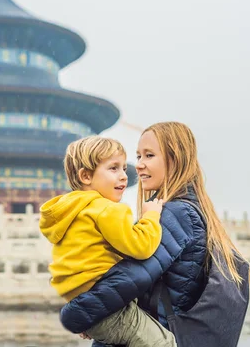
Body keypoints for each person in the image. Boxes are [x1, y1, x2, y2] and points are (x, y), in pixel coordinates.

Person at [60, 122, 250, 347]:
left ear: (174, 159)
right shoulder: (190, 210)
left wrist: (78, 313)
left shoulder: (175, 214)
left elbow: (131, 277)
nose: (139, 165)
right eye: (138, 156)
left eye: (149, 156)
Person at [39, 135, 177, 347]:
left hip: (87, 307)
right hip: (109, 308)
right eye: (113, 169)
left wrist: (89, 317)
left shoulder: (71, 212)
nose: (124, 176)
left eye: (123, 168)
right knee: (164, 343)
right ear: (86, 176)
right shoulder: (106, 210)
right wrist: (152, 215)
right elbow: (141, 247)